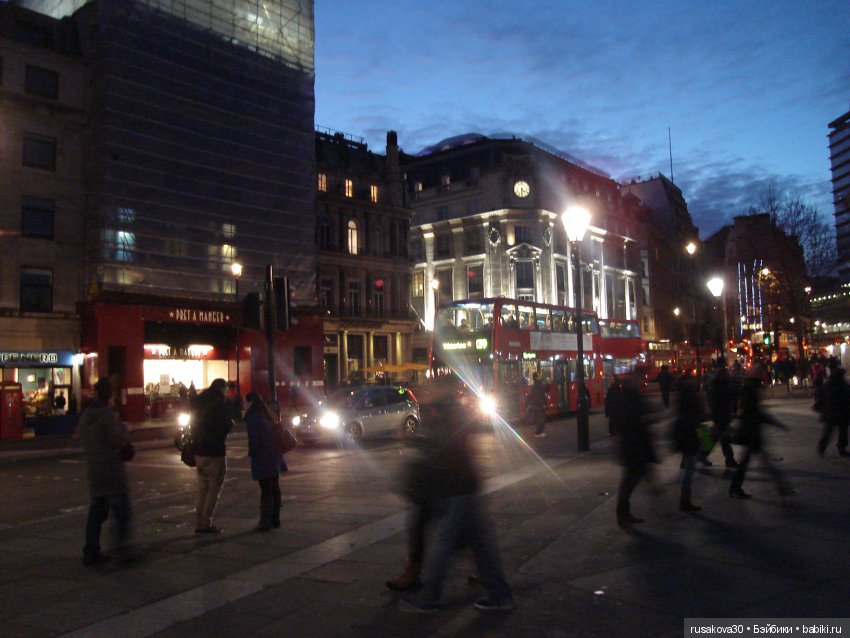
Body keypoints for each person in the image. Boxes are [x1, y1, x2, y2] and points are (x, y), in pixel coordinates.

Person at [399, 381, 513, 614]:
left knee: (444, 546)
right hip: (467, 486)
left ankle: (428, 599)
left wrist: (414, 441)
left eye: (432, 386)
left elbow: (441, 445)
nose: (428, 388)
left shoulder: (444, 412)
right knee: (482, 546)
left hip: (454, 488)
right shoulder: (454, 411)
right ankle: (500, 596)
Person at [79, 377, 132, 565]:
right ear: (109, 393)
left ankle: (91, 549)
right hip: (111, 469)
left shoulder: (86, 417)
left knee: (96, 512)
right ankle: (121, 549)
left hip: (94, 469)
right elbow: (117, 440)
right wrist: (125, 430)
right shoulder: (109, 415)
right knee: (122, 512)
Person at [729, 372, 792, 499]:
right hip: (752, 435)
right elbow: (759, 415)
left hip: (751, 434)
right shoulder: (751, 399)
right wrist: (778, 424)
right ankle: (782, 487)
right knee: (761, 462)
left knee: (749, 463)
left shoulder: (748, 397)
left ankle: (735, 487)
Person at [610, 371, 658, 528]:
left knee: (632, 477)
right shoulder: (630, 398)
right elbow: (633, 420)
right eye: (638, 379)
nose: (641, 381)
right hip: (633, 445)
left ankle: (624, 512)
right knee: (630, 479)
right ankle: (623, 513)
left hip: (634, 444)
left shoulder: (628, 396)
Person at [190, 378, 233, 534]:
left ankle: (198, 522)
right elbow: (219, 428)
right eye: (226, 389)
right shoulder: (217, 404)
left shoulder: (199, 402)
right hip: (214, 451)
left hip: (198, 450)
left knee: (203, 488)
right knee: (214, 488)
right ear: (222, 389)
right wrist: (229, 424)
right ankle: (205, 523)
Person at [244, 392, 286, 531]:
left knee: (266, 490)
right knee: (274, 488)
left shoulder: (253, 418)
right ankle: (275, 519)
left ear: (251, 402)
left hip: (263, 457)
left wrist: (252, 453)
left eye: (245, 402)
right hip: (274, 456)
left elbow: (255, 441)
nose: (243, 405)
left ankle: (265, 521)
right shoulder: (267, 413)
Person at [672, 371, 703, 513]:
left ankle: (684, 499)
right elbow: (694, 415)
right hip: (689, 434)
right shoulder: (690, 396)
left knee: (689, 464)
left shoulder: (682, 395)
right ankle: (684, 501)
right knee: (690, 468)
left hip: (685, 433)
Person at [705, 359, 738, 468]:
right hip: (721, 411)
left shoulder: (716, 376)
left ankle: (703, 455)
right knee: (722, 437)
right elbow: (726, 394)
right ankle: (729, 460)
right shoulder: (721, 377)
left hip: (719, 411)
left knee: (719, 436)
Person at [816, 365, 850, 458]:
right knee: (842, 431)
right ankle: (841, 448)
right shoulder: (843, 385)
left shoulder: (827, 385)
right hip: (841, 412)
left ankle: (822, 447)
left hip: (830, 412)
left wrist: (820, 407)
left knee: (828, 431)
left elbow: (820, 397)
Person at [529, 373, 548, 437]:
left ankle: (539, 432)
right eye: (539, 376)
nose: (540, 376)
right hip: (539, 406)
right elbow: (538, 396)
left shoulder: (537, 384)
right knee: (540, 419)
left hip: (538, 405)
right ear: (536, 377)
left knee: (540, 419)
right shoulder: (537, 385)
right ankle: (538, 433)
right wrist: (543, 404)